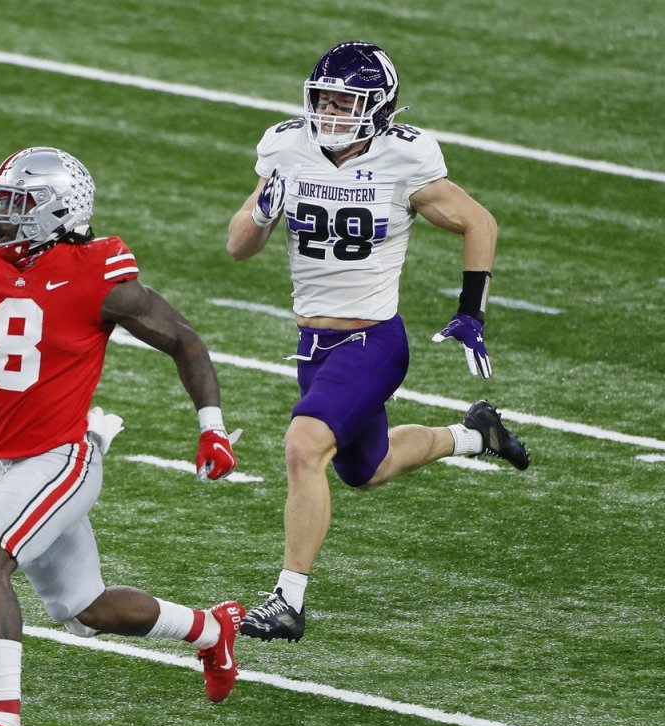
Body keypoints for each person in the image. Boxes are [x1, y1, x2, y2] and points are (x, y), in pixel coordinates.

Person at [0, 146, 245, 726]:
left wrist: (212, 429)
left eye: (17, 205)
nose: (0, 217)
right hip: (12, 463)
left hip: (64, 456)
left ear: (59, 212)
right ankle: (209, 631)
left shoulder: (96, 274)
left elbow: (184, 340)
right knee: (85, 608)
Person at [226, 41, 530, 643]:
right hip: (312, 345)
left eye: (347, 101)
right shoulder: (287, 147)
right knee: (367, 469)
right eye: (325, 99)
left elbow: (480, 222)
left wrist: (472, 311)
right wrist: (264, 207)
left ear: (379, 108)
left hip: (374, 341)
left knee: (304, 445)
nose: (332, 112)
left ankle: (288, 599)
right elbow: (238, 245)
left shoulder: (404, 158)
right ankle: (474, 435)